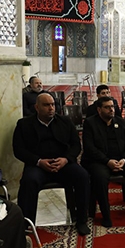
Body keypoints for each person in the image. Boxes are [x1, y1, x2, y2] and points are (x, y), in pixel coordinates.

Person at [13, 93, 90, 235]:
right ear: (37, 107)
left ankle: (81, 220)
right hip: (38, 166)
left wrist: (66, 159)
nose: (51, 108)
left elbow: (76, 145)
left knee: (82, 176)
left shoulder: (65, 122)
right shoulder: (24, 124)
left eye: (53, 104)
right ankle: (27, 223)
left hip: (63, 164)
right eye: (46, 105)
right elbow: (19, 150)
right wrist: (38, 161)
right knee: (28, 181)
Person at [82, 96, 125, 227]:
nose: (111, 110)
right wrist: (107, 161)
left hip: (120, 159)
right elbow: (89, 148)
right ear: (99, 110)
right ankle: (106, 215)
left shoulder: (120, 122)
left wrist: (124, 159)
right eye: (107, 107)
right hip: (99, 161)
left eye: (112, 106)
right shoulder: (90, 123)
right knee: (100, 178)